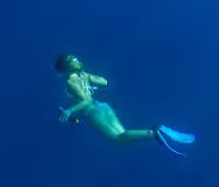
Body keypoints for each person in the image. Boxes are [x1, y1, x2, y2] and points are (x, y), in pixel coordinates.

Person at [55, 53, 195, 156]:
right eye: (73, 60)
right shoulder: (84, 75)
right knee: (122, 135)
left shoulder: (70, 82)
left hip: (93, 112)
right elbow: (104, 82)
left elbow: (86, 101)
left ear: (63, 69)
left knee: (118, 139)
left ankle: (154, 133)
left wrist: (70, 111)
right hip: (103, 107)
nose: (76, 60)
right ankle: (155, 131)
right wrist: (89, 78)